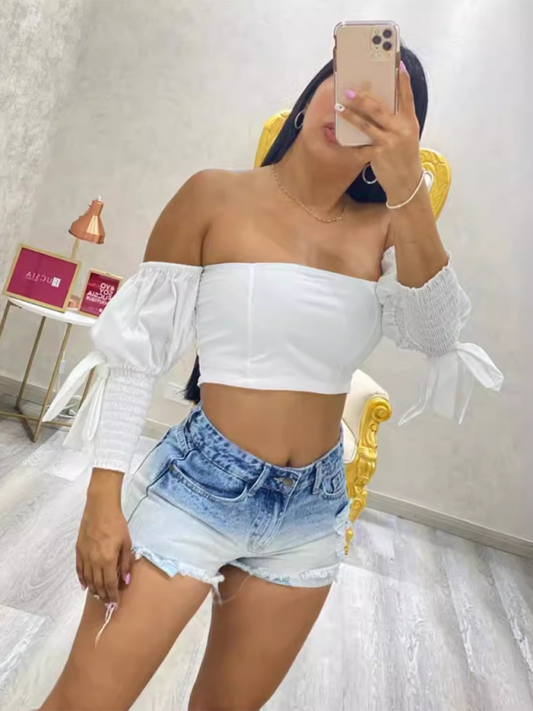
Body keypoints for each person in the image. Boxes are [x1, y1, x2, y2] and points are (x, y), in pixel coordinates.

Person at [40, 46, 502, 711]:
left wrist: (408, 188)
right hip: (194, 488)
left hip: (310, 510)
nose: (349, 106)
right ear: (310, 93)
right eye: (341, 84)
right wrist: (102, 498)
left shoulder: (386, 230)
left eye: (377, 106)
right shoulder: (213, 196)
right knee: (84, 702)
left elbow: (436, 334)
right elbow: (138, 353)